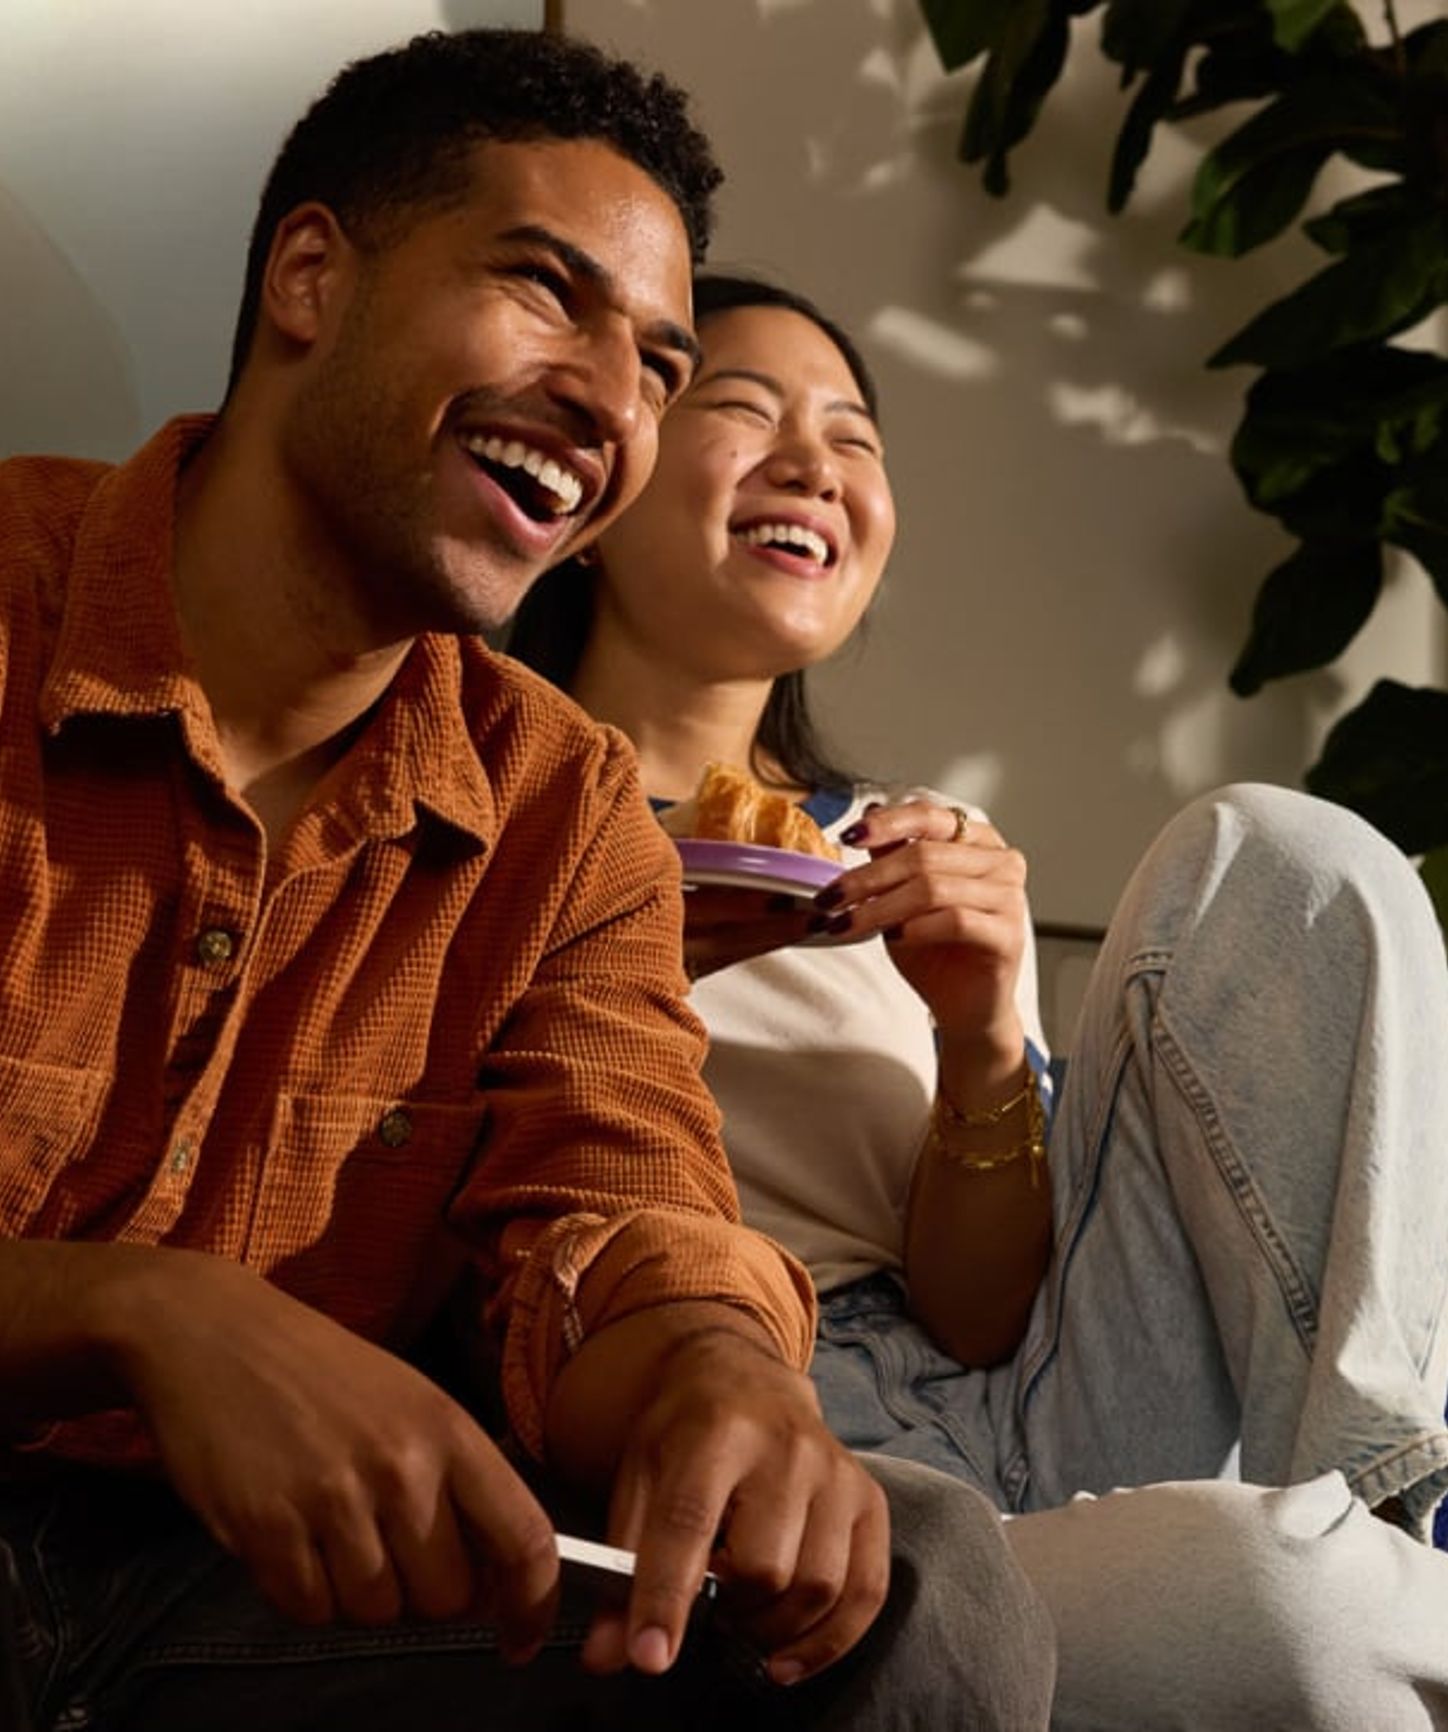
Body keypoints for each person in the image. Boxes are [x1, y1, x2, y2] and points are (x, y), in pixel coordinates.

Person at [0, 35, 1059, 1732]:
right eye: (547, 295)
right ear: (310, 277)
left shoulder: (562, 805)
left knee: (910, 1574)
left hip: (235, 1604)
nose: (608, 401)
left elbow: (618, 1193)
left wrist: (716, 1375)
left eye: (655, 362)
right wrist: (134, 1311)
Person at [506, 270, 1448, 1728]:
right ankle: (1362, 1588)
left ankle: (1394, 1503)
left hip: (1033, 1396)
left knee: (1281, 855)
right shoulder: (482, 816)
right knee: (1290, 1619)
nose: (814, 463)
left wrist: (979, 1034)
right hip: (761, 1422)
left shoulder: (900, 842)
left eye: (855, 440)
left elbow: (980, 1313)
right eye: (745, 409)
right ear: (606, 484)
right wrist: (618, 960)